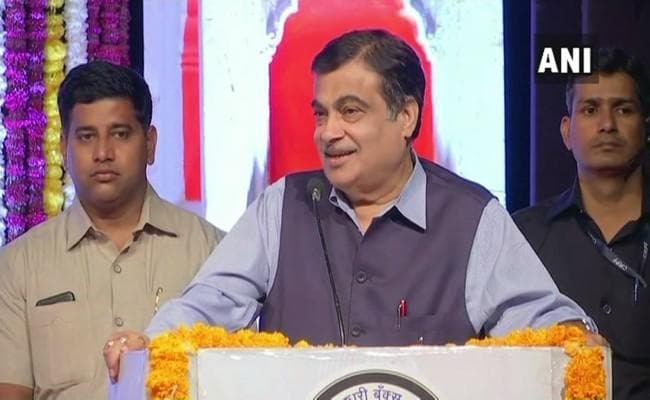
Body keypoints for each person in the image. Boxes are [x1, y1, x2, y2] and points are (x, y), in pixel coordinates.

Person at [105, 29, 601, 382]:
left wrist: (576, 337)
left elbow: (545, 319)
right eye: (321, 114)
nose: (328, 132)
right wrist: (152, 341)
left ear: (406, 117)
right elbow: (207, 304)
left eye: (350, 112)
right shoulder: (281, 206)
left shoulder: (473, 218)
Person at [0, 61, 225, 400]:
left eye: (120, 134)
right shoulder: (19, 266)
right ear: (63, 147)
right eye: (86, 137)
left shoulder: (212, 252)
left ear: (150, 143)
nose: (103, 153)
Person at [513, 48, 650, 399]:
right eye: (590, 110)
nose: (607, 124)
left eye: (623, 109)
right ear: (566, 131)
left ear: (646, 127)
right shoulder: (523, 237)